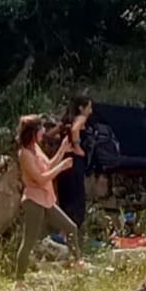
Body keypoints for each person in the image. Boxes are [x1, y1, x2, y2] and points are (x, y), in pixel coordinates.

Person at [14, 114, 80, 282]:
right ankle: (19, 280)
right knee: (28, 241)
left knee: (71, 228)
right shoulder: (25, 154)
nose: (44, 132)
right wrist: (62, 167)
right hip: (34, 201)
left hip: (46, 199)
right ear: (33, 132)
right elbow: (41, 178)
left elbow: (48, 166)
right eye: (41, 129)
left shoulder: (36, 149)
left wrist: (62, 150)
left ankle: (77, 264)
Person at [54, 94, 93, 232]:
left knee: (66, 195)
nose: (91, 111)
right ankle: (73, 229)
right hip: (75, 161)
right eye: (89, 107)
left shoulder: (65, 121)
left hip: (64, 160)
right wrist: (77, 146)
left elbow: (53, 132)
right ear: (81, 108)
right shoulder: (81, 118)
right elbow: (75, 129)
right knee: (77, 196)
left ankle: (63, 230)